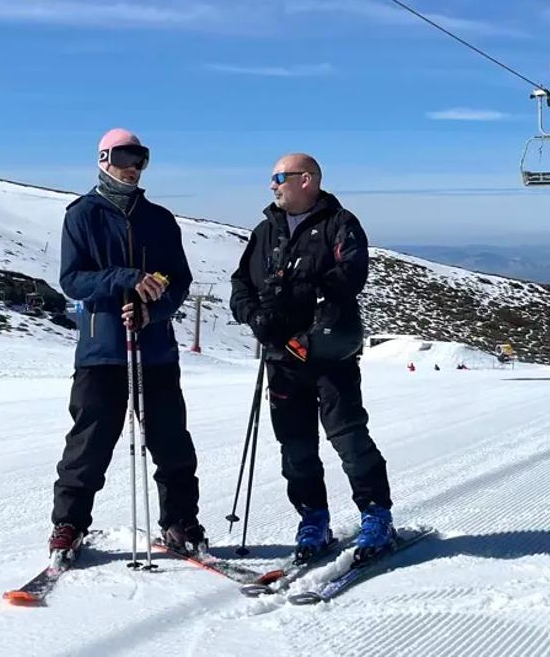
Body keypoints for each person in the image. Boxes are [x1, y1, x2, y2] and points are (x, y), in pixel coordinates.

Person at [230, 153, 395, 564]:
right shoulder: (265, 230)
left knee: (349, 436)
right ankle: (313, 519)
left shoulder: (341, 225)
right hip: (281, 359)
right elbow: (240, 284)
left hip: (329, 352)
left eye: (279, 177)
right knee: (295, 446)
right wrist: (255, 317)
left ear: (307, 180)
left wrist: (294, 302)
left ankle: (376, 514)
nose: (272, 185)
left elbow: (349, 277)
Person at [48, 128, 202, 561]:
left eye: (141, 159)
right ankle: (69, 524)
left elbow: (179, 280)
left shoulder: (160, 219)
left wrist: (156, 309)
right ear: (104, 159)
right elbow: (72, 280)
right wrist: (125, 277)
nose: (133, 167)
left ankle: (180, 522)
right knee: (88, 444)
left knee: (172, 442)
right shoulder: (82, 215)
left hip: (154, 351)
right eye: (125, 157)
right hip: (102, 351)